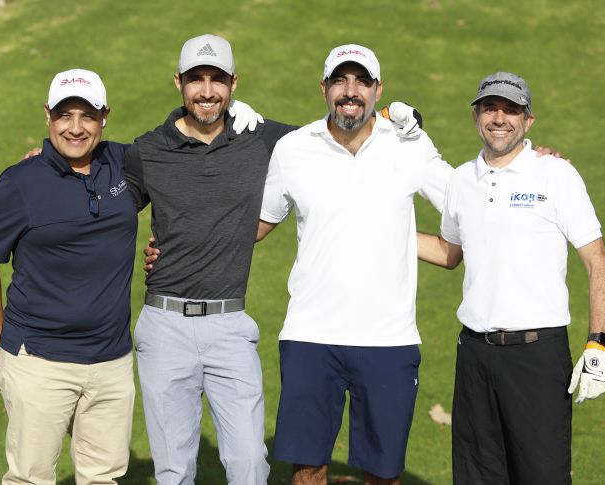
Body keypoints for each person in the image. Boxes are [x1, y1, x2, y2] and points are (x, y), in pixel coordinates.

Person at [127, 35, 423, 485]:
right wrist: (48, 159)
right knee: (172, 471)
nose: (207, 91)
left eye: (218, 80)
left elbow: (339, 127)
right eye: (196, 80)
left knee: (250, 465)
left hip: (230, 324)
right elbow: (99, 191)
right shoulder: (146, 150)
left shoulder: (265, 137)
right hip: (164, 324)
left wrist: (389, 115)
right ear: (178, 83)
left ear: (233, 84)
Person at [253, 43, 454, 485]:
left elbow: (467, 203)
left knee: (382, 475)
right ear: (324, 88)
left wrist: (534, 165)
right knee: (307, 471)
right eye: (340, 80)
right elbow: (254, 226)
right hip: (310, 336)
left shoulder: (408, 146)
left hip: (389, 340)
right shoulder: (292, 149)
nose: (351, 91)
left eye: (362, 81)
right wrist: (176, 239)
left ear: (378, 90)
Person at [416, 71, 605, 485]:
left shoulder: (555, 174)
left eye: (511, 109)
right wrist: (384, 228)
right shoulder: (462, 181)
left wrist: (598, 343)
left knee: (542, 476)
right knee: (476, 476)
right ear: (475, 116)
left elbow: (597, 261)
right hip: (474, 354)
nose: (500, 117)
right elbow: (450, 254)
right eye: (490, 108)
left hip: (537, 356)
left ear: (529, 120)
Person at [0, 68, 137, 485]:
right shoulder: (19, 184)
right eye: (65, 115)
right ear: (48, 116)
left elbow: (181, 151)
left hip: (111, 361)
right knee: (30, 478)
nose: (75, 128)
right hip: (38, 361)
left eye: (87, 116)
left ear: (104, 117)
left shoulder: (126, 165)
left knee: (103, 477)